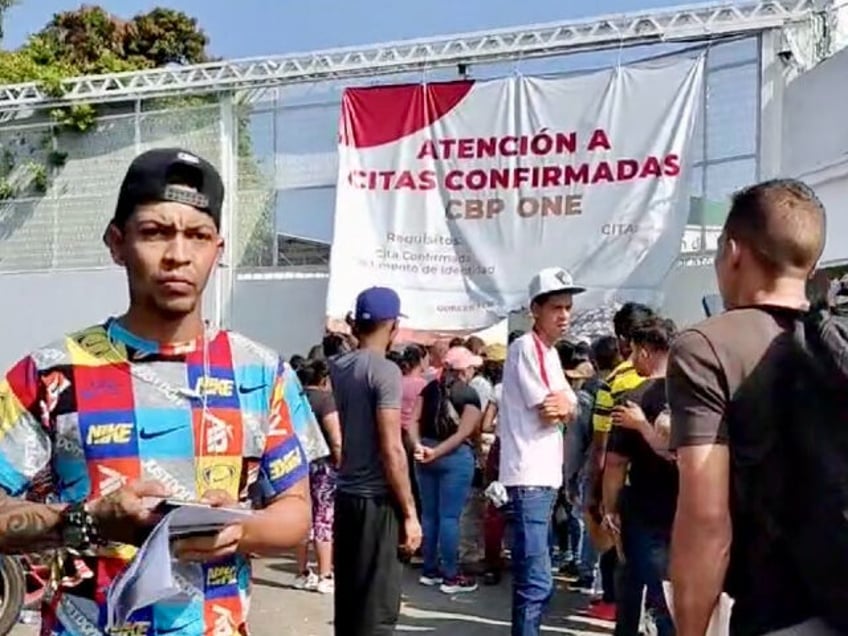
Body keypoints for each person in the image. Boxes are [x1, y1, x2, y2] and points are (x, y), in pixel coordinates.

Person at [0, 148, 313, 636]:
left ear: (219, 248)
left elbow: (295, 512)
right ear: (116, 243)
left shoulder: (263, 374)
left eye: (198, 236)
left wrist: (240, 530)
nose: (179, 256)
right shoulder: (49, 373)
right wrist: (86, 519)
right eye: (154, 232)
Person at [668, 179, 839, 636]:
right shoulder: (839, 345)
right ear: (812, 264)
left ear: (733, 252)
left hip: (780, 616)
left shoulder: (706, 347)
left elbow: (706, 521)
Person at [330, 287, 422, 636]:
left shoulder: (338, 366)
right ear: (393, 325)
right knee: (377, 609)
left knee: (350, 603)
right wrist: (410, 514)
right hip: (377, 501)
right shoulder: (384, 371)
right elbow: (391, 448)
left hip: (347, 495)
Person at [499, 267, 582, 636]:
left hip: (542, 478)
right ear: (536, 309)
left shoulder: (548, 352)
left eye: (567, 307)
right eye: (556, 308)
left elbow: (571, 405)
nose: (564, 315)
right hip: (529, 477)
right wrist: (566, 403)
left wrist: (567, 403)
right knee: (535, 582)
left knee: (534, 581)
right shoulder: (526, 348)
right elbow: (551, 408)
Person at [604, 317, 678, 636]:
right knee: (672, 586)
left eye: (634, 351)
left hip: (644, 505)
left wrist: (609, 508)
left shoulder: (631, 399)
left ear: (646, 351)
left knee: (640, 584)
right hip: (689, 504)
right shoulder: (693, 394)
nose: (632, 360)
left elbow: (615, 464)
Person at [409, 346, 483, 594]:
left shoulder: (429, 388)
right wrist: (437, 452)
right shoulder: (469, 394)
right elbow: (465, 433)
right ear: (463, 370)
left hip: (426, 451)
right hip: (454, 457)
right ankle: (450, 575)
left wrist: (419, 446)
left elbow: (412, 421)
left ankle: (429, 570)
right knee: (450, 517)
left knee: (429, 515)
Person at [294, 359, 342, 594]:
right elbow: (335, 437)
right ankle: (325, 574)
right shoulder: (326, 400)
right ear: (323, 378)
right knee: (323, 518)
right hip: (323, 466)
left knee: (302, 517)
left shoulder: (295, 398)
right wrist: (341, 460)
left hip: (296, 464)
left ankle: (301, 572)